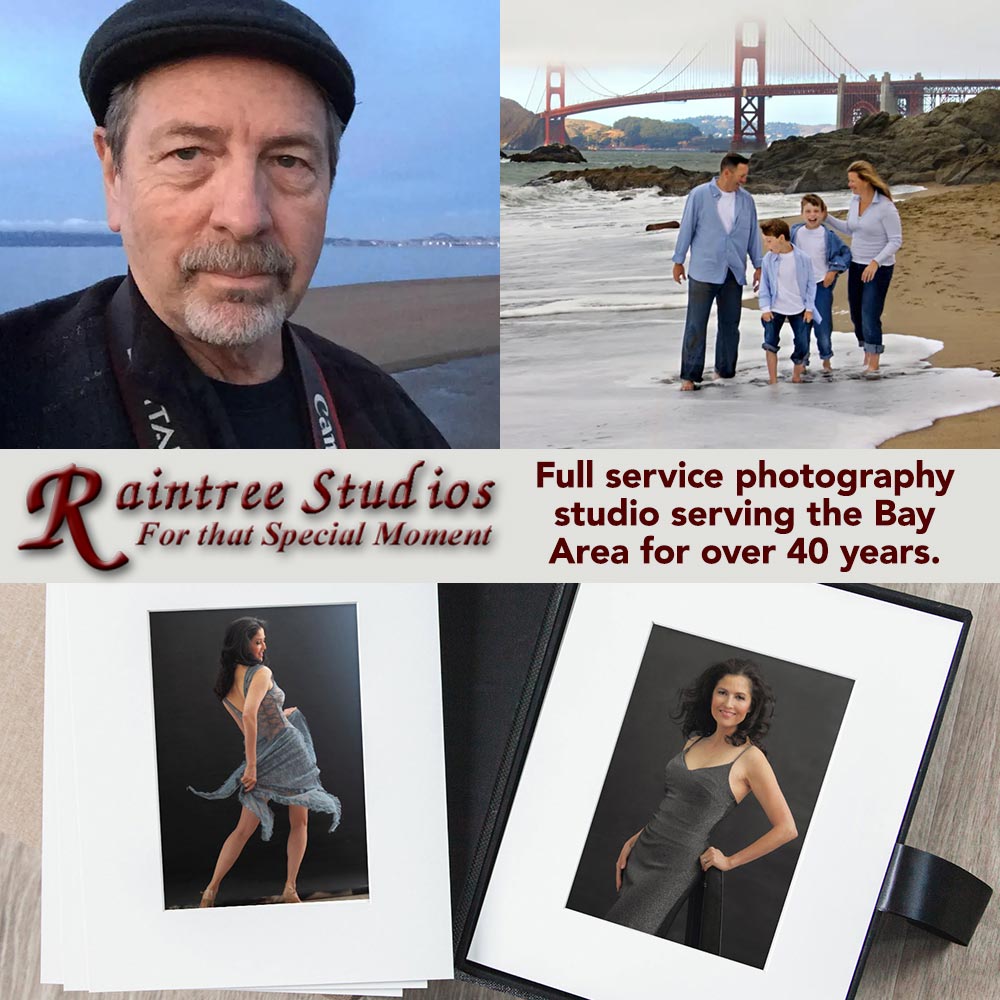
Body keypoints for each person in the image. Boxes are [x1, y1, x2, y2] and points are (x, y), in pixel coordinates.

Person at [0, 0, 448, 447]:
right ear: (113, 176)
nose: (244, 217)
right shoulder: (19, 390)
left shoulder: (386, 419)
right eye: (188, 153)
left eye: (288, 161)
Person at [606, 659, 798, 938]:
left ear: (751, 707)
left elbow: (787, 829)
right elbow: (678, 803)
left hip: (675, 868)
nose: (728, 703)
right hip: (643, 851)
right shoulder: (695, 740)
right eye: (722, 692)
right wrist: (637, 837)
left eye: (740, 697)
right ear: (711, 694)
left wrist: (730, 861)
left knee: (626, 937)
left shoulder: (751, 758)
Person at [188, 617, 342, 907]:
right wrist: (251, 767)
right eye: (257, 641)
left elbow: (249, 725)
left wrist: (280, 718)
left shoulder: (224, 686)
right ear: (242, 644)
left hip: (263, 751)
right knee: (300, 822)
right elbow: (249, 716)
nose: (263, 646)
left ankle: (210, 890)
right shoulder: (260, 672)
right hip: (287, 751)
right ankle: (289, 888)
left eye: (263, 640)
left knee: (243, 829)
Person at [672, 153, 763, 391]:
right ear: (727, 173)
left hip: (733, 271)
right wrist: (678, 260)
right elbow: (687, 228)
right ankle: (690, 376)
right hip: (704, 270)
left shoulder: (746, 200)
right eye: (742, 176)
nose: (744, 180)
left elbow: (753, 234)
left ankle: (725, 372)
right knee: (696, 324)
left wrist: (759, 265)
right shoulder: (700, 195)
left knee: (730, 325)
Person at [822, 160, 903, 375]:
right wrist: (826, 218)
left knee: (869, 313)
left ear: (865, 180)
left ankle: (873, 361)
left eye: (852, 181)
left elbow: (895, 240)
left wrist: (876, 262)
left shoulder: (885, 207)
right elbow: (851, 229)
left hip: (878, 268)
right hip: (857, 265)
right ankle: (866, 352)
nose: (849, 185)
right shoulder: (855, 201)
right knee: (856, 314)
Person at [791, 194, 851, 373]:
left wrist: (833, 271)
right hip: (799, 288)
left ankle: (826, 360)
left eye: (816, 211)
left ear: (823, 213)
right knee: (801, 328)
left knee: (822, 327)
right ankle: (801, 362)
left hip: (821, 286)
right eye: (808, 211)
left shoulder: (828, 235)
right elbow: (780, 253)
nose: (812, 215)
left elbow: (845, 253)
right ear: (802, 213)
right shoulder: (795, 233)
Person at [758, 219, 818, 385]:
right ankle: (773, 380)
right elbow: (765, 286)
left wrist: (809, 308)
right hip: (774, 307)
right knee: (770, 342)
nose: (766, 245)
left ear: (782, 238)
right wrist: (765, 308)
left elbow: (811, 285)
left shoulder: (803, 258)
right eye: (765, 241)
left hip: (799, 307)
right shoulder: (768, 259)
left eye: (769, 241)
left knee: (802, 343)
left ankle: (796, 376)